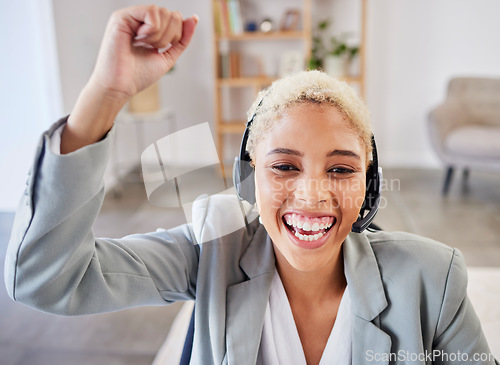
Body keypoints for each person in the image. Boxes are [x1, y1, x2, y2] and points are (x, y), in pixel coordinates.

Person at [4, 5, 498, 365]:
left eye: (342, 169)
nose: (312, 194)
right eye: (284, 167)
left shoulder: (435, 278)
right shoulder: (210, 250)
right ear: (248, 180)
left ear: (370, 186)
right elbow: (44, 280)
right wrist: (106, 95)